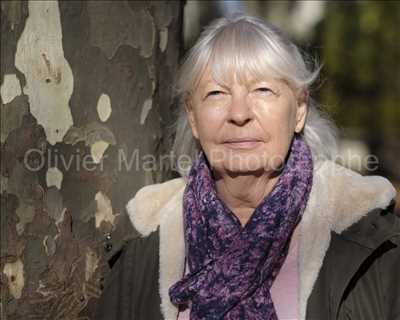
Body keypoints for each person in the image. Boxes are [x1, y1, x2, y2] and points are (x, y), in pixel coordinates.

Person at [94, 14, 400, 320]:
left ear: (299, 110)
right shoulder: (143, 247)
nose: (239, 113)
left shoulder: (371, 243)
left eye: (262, 90)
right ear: (192, 116)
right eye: (216, 93)